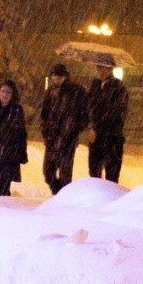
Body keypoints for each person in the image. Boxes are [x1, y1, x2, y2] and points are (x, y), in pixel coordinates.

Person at [39, 63, 88, 194]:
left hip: (68, 138)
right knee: (48, 171)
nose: (57, 79)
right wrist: (45, 131)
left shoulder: (76, 91)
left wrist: (75, 128)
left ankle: (63, 196)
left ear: (65, 76)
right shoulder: (50, 91)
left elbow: (84, 114)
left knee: (65, 173)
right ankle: (58, 193)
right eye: (54, 76)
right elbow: (44, 113)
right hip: (52, 138)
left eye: (60, 76)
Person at [87, 68, 129, 183]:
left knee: (112, 175)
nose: (101, 72)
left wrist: (97, 126)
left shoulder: (118, 87)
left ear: (110, 69)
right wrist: (90, 127)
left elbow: (116, 111)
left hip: (112, 137)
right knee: (94, 174)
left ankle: (111, 198)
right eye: (99, 68)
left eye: (105, 69)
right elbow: (89, 108)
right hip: (96, 138)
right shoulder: (94, 86)